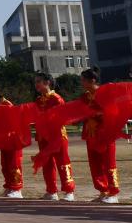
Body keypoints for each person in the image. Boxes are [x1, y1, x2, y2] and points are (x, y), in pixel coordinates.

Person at [32, 72, 76, 201]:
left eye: (38, 81)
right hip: (42, 136)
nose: (36, 85)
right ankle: (51, 191)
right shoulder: (38, 100)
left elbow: (63, 117)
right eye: (35, 82)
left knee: (63, 162)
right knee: (46, 163)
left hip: (57, 135)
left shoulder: (56, 99)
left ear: (47, 82)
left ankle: (69, 191)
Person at [79, 67, 120, 203]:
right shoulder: (84, 97)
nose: (82, 82)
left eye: (83, 80)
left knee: (108, 163)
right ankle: (103, 191)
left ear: (93, 80)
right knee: (95, 164)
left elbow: (113, 112)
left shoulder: (105, 93)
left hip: (105, 133)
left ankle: (113, 193)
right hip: (91, 134)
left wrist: (96, 115)